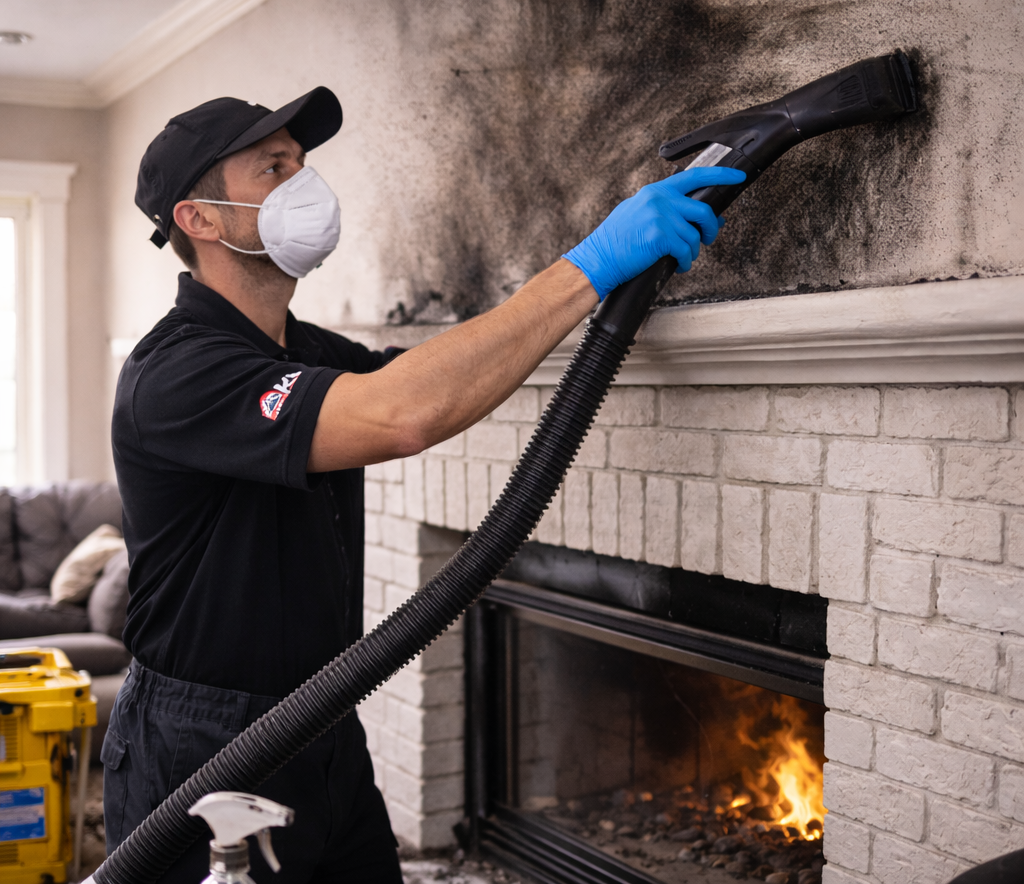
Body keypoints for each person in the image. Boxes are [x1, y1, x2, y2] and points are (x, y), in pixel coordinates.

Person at [104, 86, 743, 882]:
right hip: (202, 744)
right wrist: (588, 266)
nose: (305, 182)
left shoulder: (305, 350)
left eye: (301, 163)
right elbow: (406, 413)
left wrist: (604, 290)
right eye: (273, 168)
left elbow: (444, 381)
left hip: (322, 718)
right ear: (199, 218)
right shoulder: (174, 372)